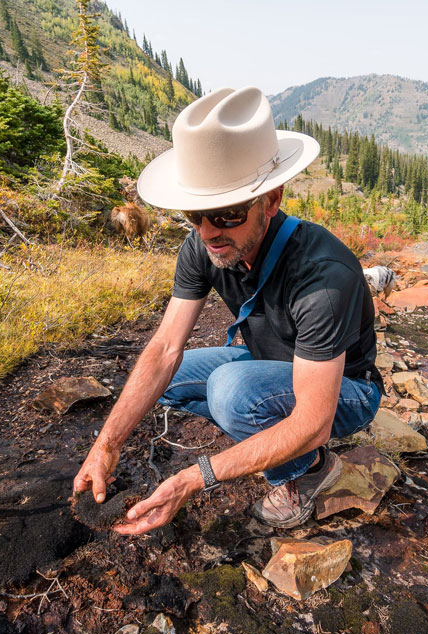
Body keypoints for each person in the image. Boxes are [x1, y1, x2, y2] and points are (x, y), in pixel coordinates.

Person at [73, 86, 382, 535]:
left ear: (270, 200)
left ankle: (306, 472)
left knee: (230, 391)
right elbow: (163, 349)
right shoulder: (203, 245)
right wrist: (106, 444)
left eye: (228, 213)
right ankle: (262, 425)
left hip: (347, 388)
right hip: (272, 363)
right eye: (194, 215)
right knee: (166, 379)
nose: (209, 231)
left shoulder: (323, 277)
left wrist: (192, 479)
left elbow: (315, 422)